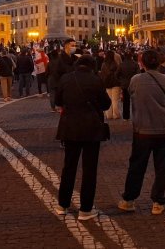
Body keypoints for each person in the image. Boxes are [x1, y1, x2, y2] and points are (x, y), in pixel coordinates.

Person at [54, 55, 110, 221]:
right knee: (89, 169)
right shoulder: (95, 80)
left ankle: (62, 205)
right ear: (93, 66)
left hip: (70, 127)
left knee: (68, 167)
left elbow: (58, 101)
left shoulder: (66, 78)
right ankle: (85, 209)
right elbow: (106, 104)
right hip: (91, 128)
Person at [118, 50, 165, 215]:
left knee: (137, 166)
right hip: (163, 128)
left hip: (142, 129)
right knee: (162, 167)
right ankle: (158, 201)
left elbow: (131, 93)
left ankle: (129, 199)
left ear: (142, 63)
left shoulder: (136, 80)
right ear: (159, 62)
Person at [100, 51, 122, 120]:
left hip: (107, 84)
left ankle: (109, 115)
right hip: (116, 83)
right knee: (115, 100)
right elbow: (119, 74)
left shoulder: (103, 64)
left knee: (109, 99)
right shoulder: (116, 64)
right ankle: (116, 114)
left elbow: (102, 75)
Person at [118, 51, 139, 121]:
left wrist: (120, 80)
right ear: (131, 56)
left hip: (124, 84)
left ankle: (126, 117)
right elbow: (138, 73)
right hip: (134, 83)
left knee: (125, 101)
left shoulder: (121, 64)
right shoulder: (135, 64)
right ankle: (136, 115)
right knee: (135, 101)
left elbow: (117, 74)